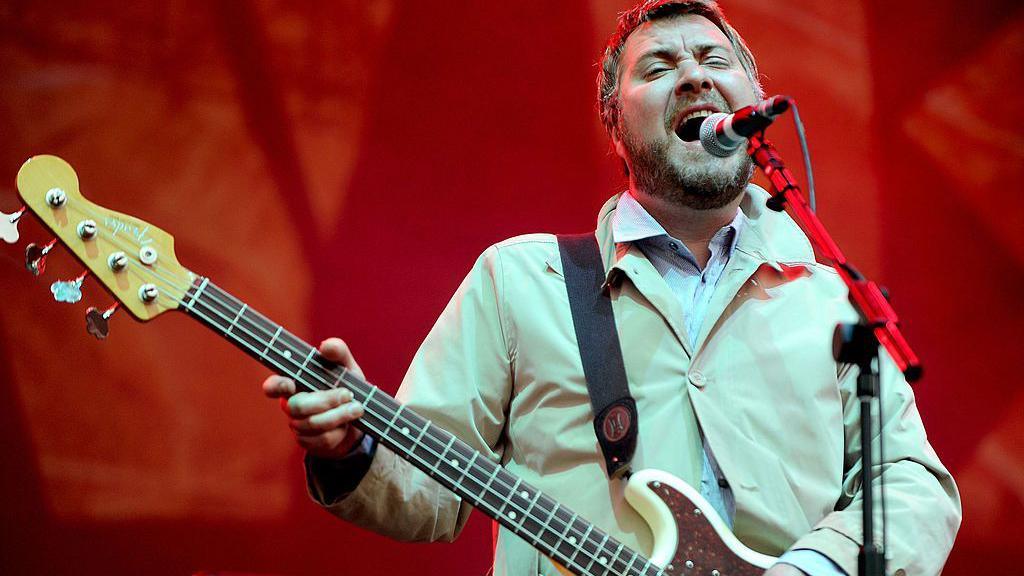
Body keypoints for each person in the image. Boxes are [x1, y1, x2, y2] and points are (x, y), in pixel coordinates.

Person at [261, 1, 961, 574]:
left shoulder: (826, 297)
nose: (694, 77)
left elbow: (912, 483)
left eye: (716, 62)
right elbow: (427, 493)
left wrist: (816, 568)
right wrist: (355, 446)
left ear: (755, 104)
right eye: (659, 67)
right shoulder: (520, 281)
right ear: (615, 127)